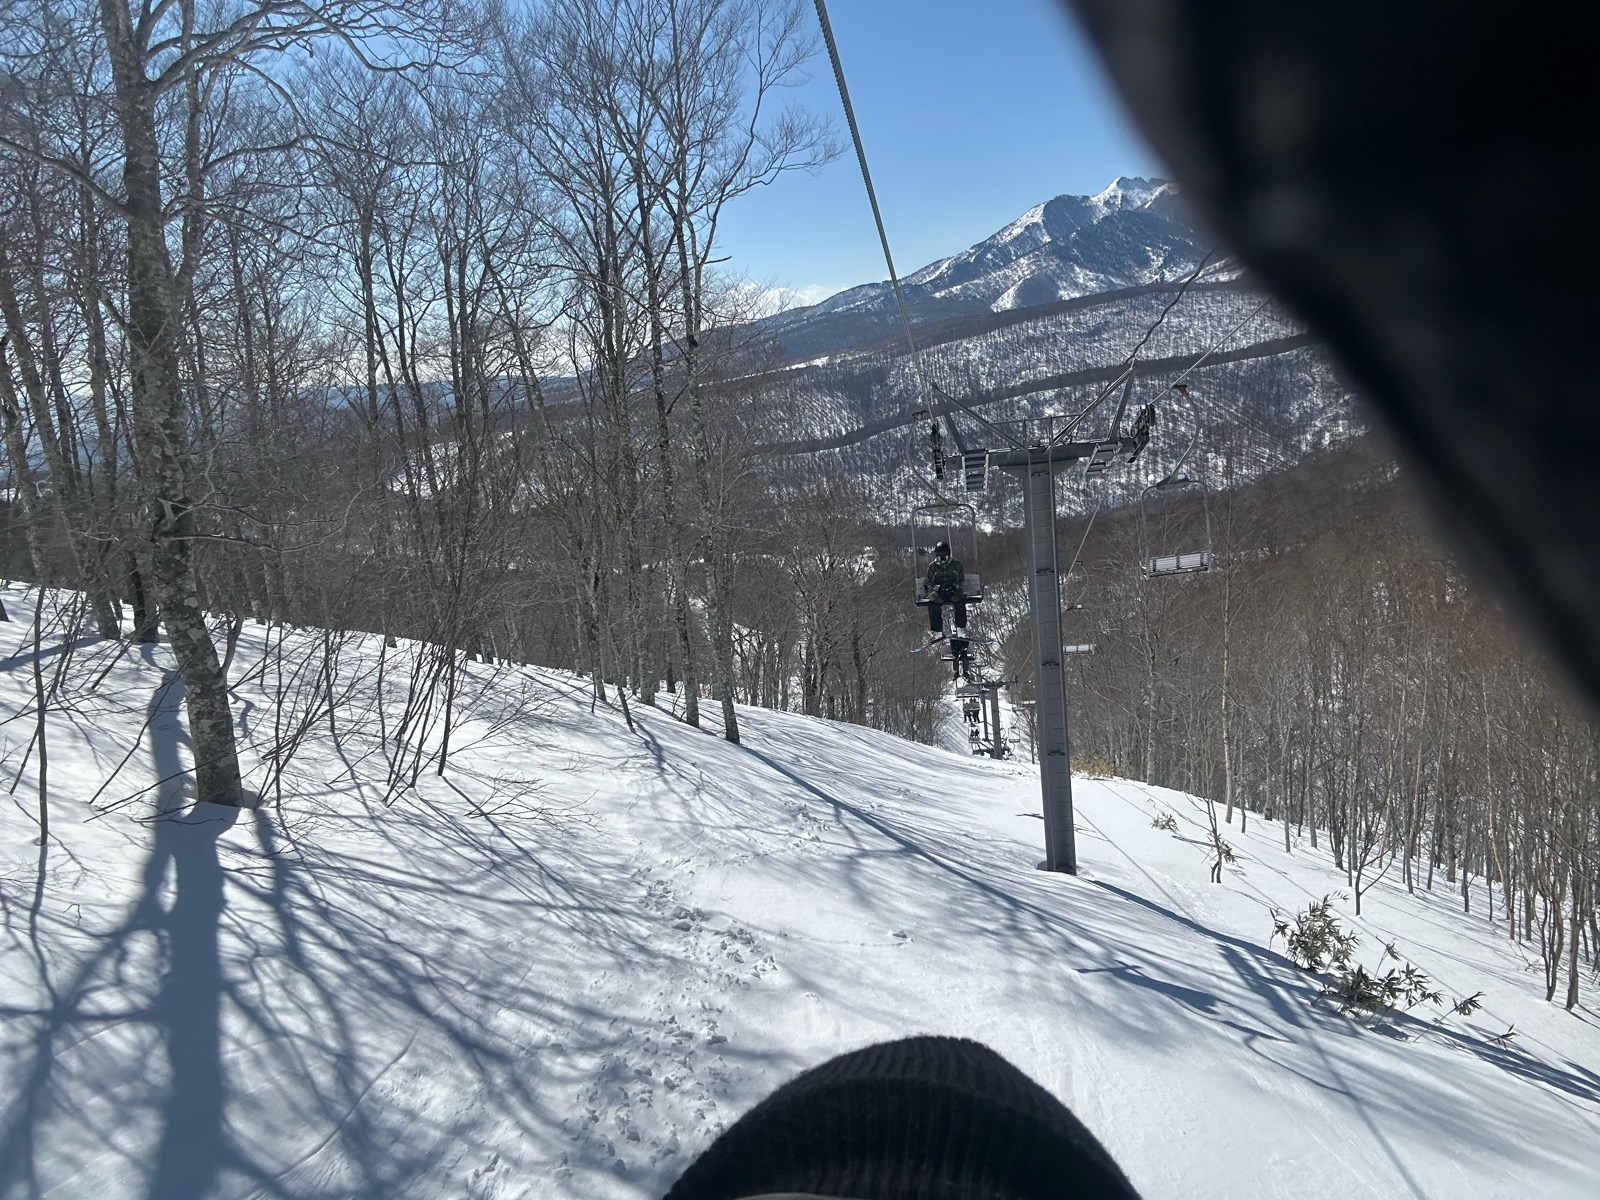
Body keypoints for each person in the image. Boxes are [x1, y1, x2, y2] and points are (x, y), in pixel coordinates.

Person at [923, 540, 969, 643]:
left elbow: (960, 579)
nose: (943, 560)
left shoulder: (956, 564)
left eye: (944, 557)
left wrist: (954, 587)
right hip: (939, 592)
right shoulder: (932, 566)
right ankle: (937, 630)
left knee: (960, 602)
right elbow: (929, 581)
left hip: (953, 590)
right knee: (933, 602)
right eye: (940, 557)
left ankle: (961, 628)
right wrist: (938, 588)